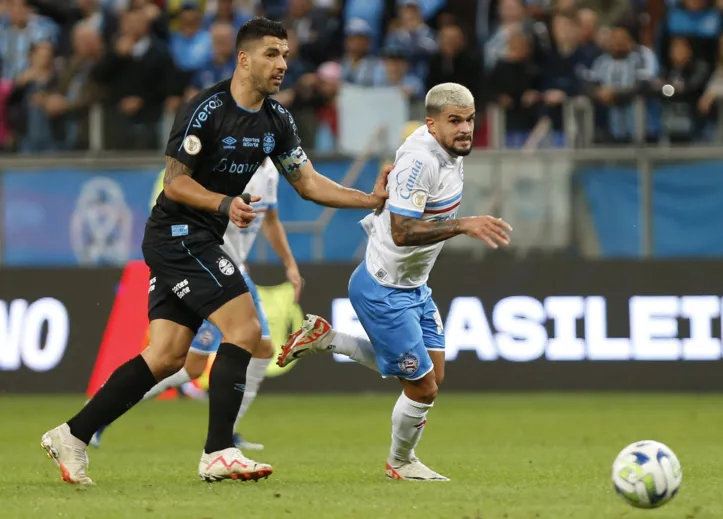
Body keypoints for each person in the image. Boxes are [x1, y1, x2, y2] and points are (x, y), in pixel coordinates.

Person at [41, 17, 390, 486]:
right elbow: (176, 180)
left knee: (166, 356)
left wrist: (369, 199)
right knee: (244, 328)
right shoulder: (205, 109)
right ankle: (219, 451)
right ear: (243, 58)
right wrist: (226, 203)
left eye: (285, 55)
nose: (282, 64)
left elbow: (308, 183)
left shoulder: (277, 120)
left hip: (198, 236)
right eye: (271, 54)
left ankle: (72, 435)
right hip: (180, 233)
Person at [276, 83, 513, 481]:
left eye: (470, 120)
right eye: (455, 121)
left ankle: (327, 338)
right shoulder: (422, 160)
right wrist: (462, 225)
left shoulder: (444, 149)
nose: (466, 129)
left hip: (414, 286)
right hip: (384, 289)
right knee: (422, 389)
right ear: (431, 123)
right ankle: (401, 463)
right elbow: (403, 232)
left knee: (432, 375)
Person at [89, 158, 301, 451]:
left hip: (236, 270)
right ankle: (100, 412)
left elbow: (272, 220)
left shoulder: (269, 172)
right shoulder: (231, 162)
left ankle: (228, 433)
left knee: (261, 350)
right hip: (208, 269)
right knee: (184, 365)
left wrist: (290, 264)